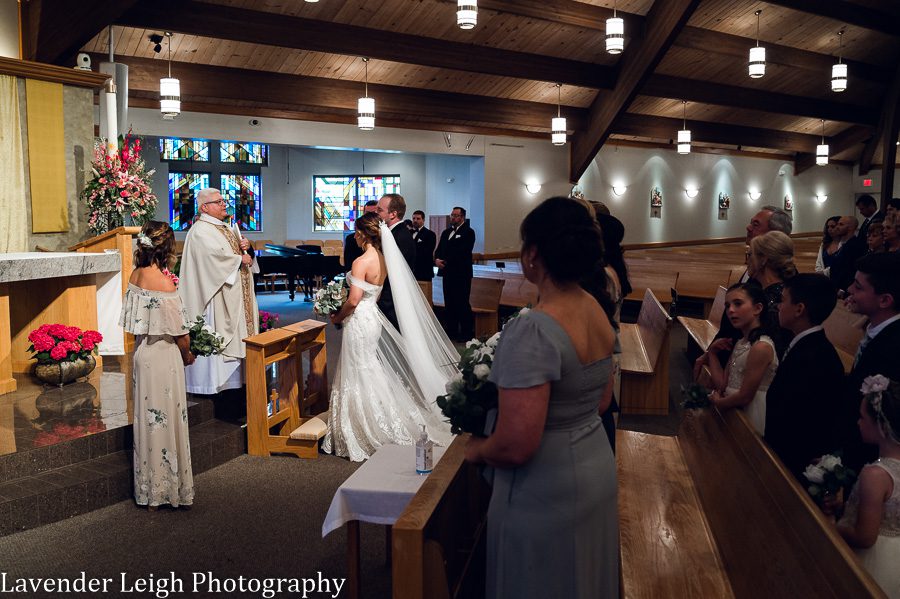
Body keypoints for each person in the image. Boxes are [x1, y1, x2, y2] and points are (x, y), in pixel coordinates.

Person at [465, 197, 619, 599]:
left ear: (532, 254)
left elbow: (516, 445)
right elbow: (602, 401)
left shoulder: (534, 328)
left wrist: (477, 449)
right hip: (595, 463)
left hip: (546, 487)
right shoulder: (595, 308)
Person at [322, 213, 455, 462]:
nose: (355, 236)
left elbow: (353, 300)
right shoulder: (383, 259)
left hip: (359, 320)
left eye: (356, 232)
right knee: (368, 366)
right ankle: (381, 415)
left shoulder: (361, 262)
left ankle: (367, 425)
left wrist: (337, 316)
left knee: (360, 368)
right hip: (373, 317)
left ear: (362, 234)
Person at [120, 221, 195, 510]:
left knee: (148, 422)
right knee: (168, 420)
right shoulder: (165, 283)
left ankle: (149, 490)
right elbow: (181, 333)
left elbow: (132, 322)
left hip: (143, 355)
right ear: (167, 248)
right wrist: (188, 355)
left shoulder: (135, 275)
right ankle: (169, 490)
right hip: (165, 357)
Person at [764, 274, 845, 482]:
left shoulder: (815, 356)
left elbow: (800, 418)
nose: (778, 306)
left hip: (792, 461)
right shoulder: (806, 345)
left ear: (799, 309)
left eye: (783, 300)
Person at [179, 188, 259, 395]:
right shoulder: (200, 231)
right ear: (204, 207)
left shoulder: (226, 228)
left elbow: (238, 254)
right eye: (219, 201)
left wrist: (246, 247)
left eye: (224, 201)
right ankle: (217, 386)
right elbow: (211, 260)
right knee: (219, 348)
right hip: (216, 297)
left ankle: (237, 385)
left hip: (236, 294)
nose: (224, 204)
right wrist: (239, 259)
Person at [836, 376, 900, 597]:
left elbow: (864, 537)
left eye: (862, 417)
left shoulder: (875, 475)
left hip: (875, 561)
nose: (858, 423)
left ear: (882, 426)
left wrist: (832, 525)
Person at [841, 252, 900, 475]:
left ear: (884, 300)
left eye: (858, 287)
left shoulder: (893, 348)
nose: (849, 289)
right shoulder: (876, 330)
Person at [696, 283, 778, 435]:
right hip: (732, 408)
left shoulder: (761, 346)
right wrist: (712, 354)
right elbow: (722, 384)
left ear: (758, 308)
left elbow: (745, 396)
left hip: (750, 412)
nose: (731, 310)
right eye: (727, 306)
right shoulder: (741, 342)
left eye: (738, 304)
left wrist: (719, 402)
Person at [747, 230, 797, 358]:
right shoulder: (782, 291)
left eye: (750, 255)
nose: (746, 261)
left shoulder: (773, 301)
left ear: (763, 260)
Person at [435, 206, 476, 341]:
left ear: (462, 217)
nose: (452, 217)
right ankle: (451, 330)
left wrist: (446, 261)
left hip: (461, 273)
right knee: (449, 302)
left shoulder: (468, 232)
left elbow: (462, 251)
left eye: (455, 215)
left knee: (462, 302)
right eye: (452, 215)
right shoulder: (446, 232)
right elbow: (440, 249)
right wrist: (437, 260)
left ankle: (466, 332)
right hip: (447, 273)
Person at [375, 193, 416, 330]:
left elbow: (395, 274)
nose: (376, 213)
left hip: (392, 302)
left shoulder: (400, 236)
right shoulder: (392, 233)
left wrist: (381, 300)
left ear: (393, 214)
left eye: (379, 210)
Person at [829, 216, 866, 293]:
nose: (837, 227)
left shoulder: (856, 246)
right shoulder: (844, 244)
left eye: (841, 224)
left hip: (845, 290)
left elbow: (852, 270)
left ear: (850, 227)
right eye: (838, 224)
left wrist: (842, 289)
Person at [343, 200, 378, 268]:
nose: (369, 216)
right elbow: (349, 265)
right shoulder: (352, 239)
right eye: (367, 213)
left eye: (373, 213)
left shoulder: (383, 237)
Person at [410, 210, 437, 282]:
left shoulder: (430, 234)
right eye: (413, 218)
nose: (415, 220)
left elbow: (427, 251)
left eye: (418, 219)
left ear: (423, 220)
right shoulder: (408, 233)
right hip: (410, 270)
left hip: (423, 270)